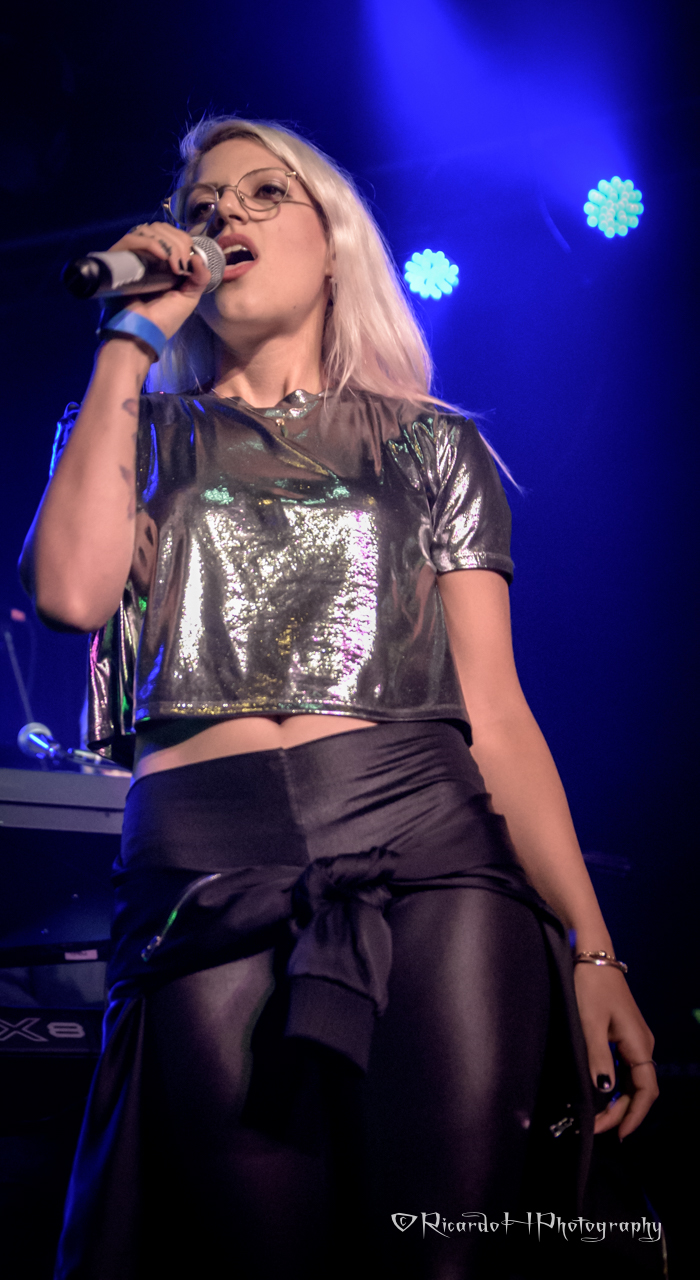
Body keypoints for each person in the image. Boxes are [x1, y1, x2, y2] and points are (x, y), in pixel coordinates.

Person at [21, 117, 657, 1280]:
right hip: (202, 857)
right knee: (254, 1255)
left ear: (335, 242)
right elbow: (67, 593)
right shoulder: (132, 427)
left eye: (265, 192)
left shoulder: (429, 443)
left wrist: (595, 951)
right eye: (202, 204)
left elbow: (496, 712)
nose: (225, 215)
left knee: (443, 1254)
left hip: (425, 841)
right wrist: (128, 339)